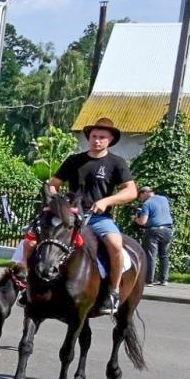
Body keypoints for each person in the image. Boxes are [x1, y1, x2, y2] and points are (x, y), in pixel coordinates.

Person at [48, 117, 137, 310]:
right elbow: (53, 185)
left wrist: (107, 201)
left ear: (110, 140)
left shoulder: (116, 163)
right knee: (36, 240)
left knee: (115, 245)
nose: (97, 140)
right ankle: (27, 286)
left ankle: (113, 291)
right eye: (94, 136)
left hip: (98, 218)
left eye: (102, 137)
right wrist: (61, 205)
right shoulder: (74, 160)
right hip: (71, 217)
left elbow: (131, 191)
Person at [133, 184, 175, 285]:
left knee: (151, 256)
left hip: (154, 231)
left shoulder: (147, 204)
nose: (141, 199)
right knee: (164, 256)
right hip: (168, 230)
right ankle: (164, 280)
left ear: (144, 193)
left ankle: (149, 280)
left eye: (140, 196)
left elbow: (143, 221)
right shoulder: (164, 199)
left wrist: (135, 219)